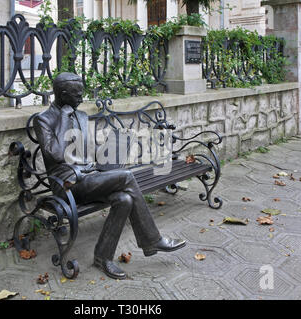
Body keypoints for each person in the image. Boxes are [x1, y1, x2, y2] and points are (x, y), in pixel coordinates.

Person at [33, 72, 187, 279]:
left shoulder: (81, 115)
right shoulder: (43, 120)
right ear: (61, 94)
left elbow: (85, 151)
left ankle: (102, 257)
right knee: (126, 177)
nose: (81, 98)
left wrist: (112, 148)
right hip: (67, 184)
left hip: (89, 177)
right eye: (77, 95)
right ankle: (152, 239)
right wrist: (62, 117)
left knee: (124, 199)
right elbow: (57, 153)